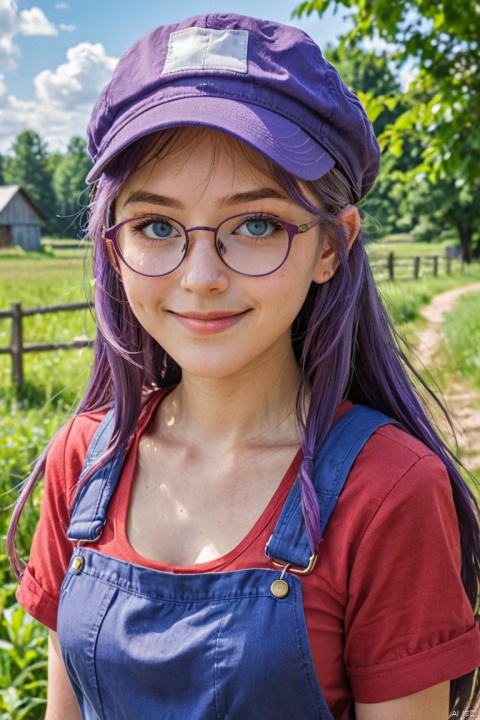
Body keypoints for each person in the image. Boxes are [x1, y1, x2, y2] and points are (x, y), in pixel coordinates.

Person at [7, 13, 480, 720]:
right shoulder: (87, 458)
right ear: (113, 245)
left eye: (256, 224)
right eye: (157, 226)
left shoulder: (389, 494)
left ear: (332, 246)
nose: (200, 276)